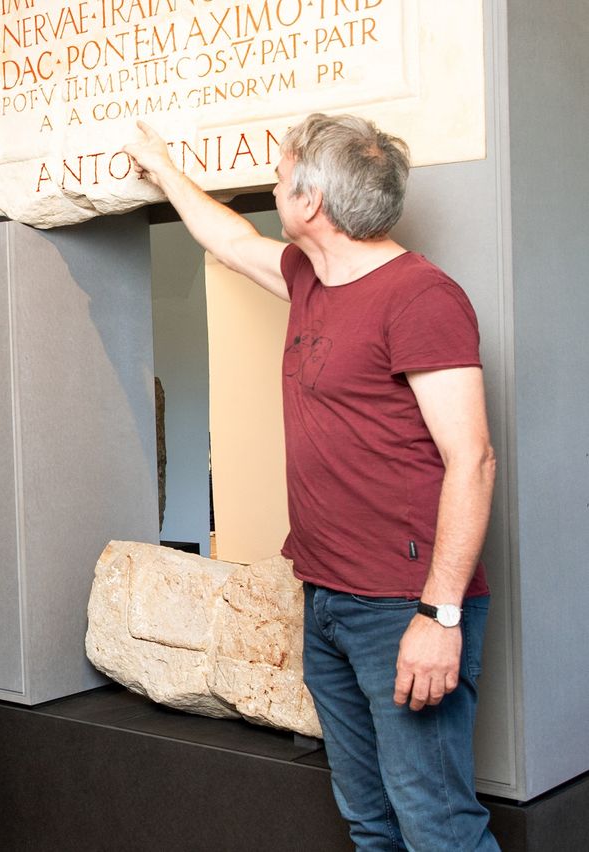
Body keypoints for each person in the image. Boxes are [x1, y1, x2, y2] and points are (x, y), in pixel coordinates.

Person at [125, 114, 499, 850]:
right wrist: (162, 168)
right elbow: (230, 240)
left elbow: (474, 460)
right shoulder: (309, 276)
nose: (271, 183)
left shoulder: (421, 296)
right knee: (370, 820)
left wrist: (440, 617)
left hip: (404, 609)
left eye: (280, 171)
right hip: (326, 597)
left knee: (438, 828)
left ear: (311, 202)